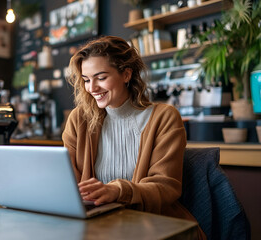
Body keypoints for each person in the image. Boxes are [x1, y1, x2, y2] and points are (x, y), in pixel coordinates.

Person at [62, 36, 205, 239]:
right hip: (100, 225)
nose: (92, 88)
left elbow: (166, 187)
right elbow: (69, 182)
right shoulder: (79, 119)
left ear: (126, 74)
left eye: (101, 78)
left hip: (156, 224)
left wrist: (118, 191)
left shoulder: (164, 117)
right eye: (86, 80)